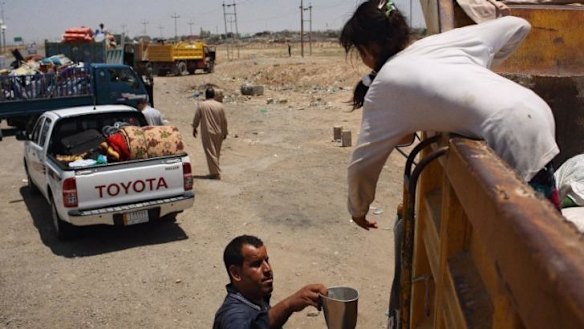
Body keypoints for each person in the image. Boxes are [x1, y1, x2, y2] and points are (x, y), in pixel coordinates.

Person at [340, 0, 560, 231]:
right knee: (542, 202)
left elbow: (364, 162)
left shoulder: (384, 85)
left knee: (533, 236)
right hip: (534, 108)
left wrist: (358, 209)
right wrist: (479, 69)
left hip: (510, 130)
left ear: (370, 47)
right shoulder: (440, 42)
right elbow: (518, 25)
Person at [213, 235, 327, 329]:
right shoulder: (233, 315)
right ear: (236, 273)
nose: (267, 269)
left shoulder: (256, 298)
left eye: (266, 260)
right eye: (256, 264)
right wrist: (288, 305)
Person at [192, 87, 229, 180]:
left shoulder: (202, 105)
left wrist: (194, 127)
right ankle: (215, 171)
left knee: (210, 152)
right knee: (216, 152)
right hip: (219, 131)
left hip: (208, 132)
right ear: (213, 95)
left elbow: (197, 118)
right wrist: (225, 132)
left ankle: (215, 173)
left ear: (206, 95)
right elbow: (224, 120)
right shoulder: (220, 106)